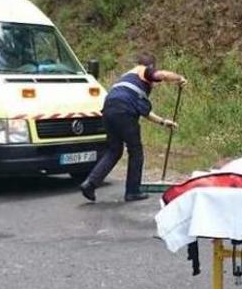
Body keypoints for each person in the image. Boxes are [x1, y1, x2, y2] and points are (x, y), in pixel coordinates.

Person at [80, 53, 187, 202]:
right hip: (124, 111)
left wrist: (163, 122)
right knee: (135, 151)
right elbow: (161, 74)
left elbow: (141, 109)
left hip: (109, 110)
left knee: (114, 150)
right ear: (151, 66)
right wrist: (179, 78)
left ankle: (90, 184)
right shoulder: (145, 70)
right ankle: (132, 191)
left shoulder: (127, 77)